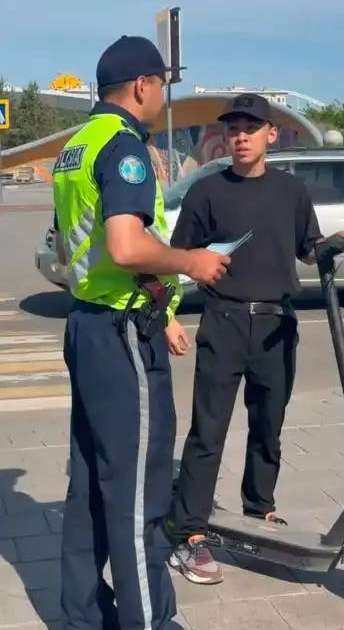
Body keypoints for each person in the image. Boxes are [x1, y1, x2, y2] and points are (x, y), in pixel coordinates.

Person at [53, 35, 230, 630]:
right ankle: (150, 621)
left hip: (88, 324)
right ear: (141, 86)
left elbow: (82, 248)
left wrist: (169, 309)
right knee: (138, 493)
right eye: (163, 84)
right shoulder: (125, 147)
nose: (163, 95)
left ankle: (81, 615)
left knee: (89, 486)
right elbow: (127, 246)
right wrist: (191, 261)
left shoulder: (76, 146)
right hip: (123, 334)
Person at [161, 93, 344, 584]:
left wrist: (334, 245)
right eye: (233, 129)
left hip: (277, 325)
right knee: (208, 432)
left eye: (251, 128)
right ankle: (188, 532)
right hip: (225, 322)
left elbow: (307, 249)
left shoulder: (291, 192)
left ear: (271, 134)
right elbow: (179, 256)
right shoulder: (207, 194)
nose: (241, 136)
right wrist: (168, 314)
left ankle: (259, 508)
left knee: (268, 427)